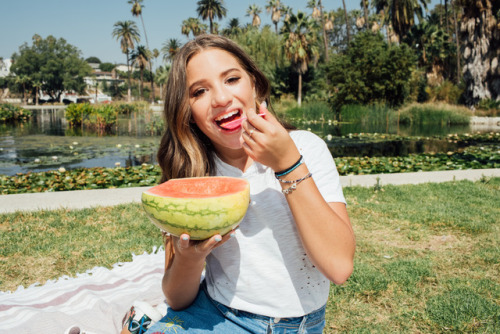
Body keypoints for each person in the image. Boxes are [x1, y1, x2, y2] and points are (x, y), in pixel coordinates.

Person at [145, 34, 355, 334]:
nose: (220, 98)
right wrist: (190, 259)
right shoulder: (191, 173)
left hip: (295, 326)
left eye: (231, 79)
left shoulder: (306, 148)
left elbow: (339, 267)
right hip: (214, 311)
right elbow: (176, 298)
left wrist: (287, 165)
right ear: (187, 112)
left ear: (254, 83)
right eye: (200, 91)